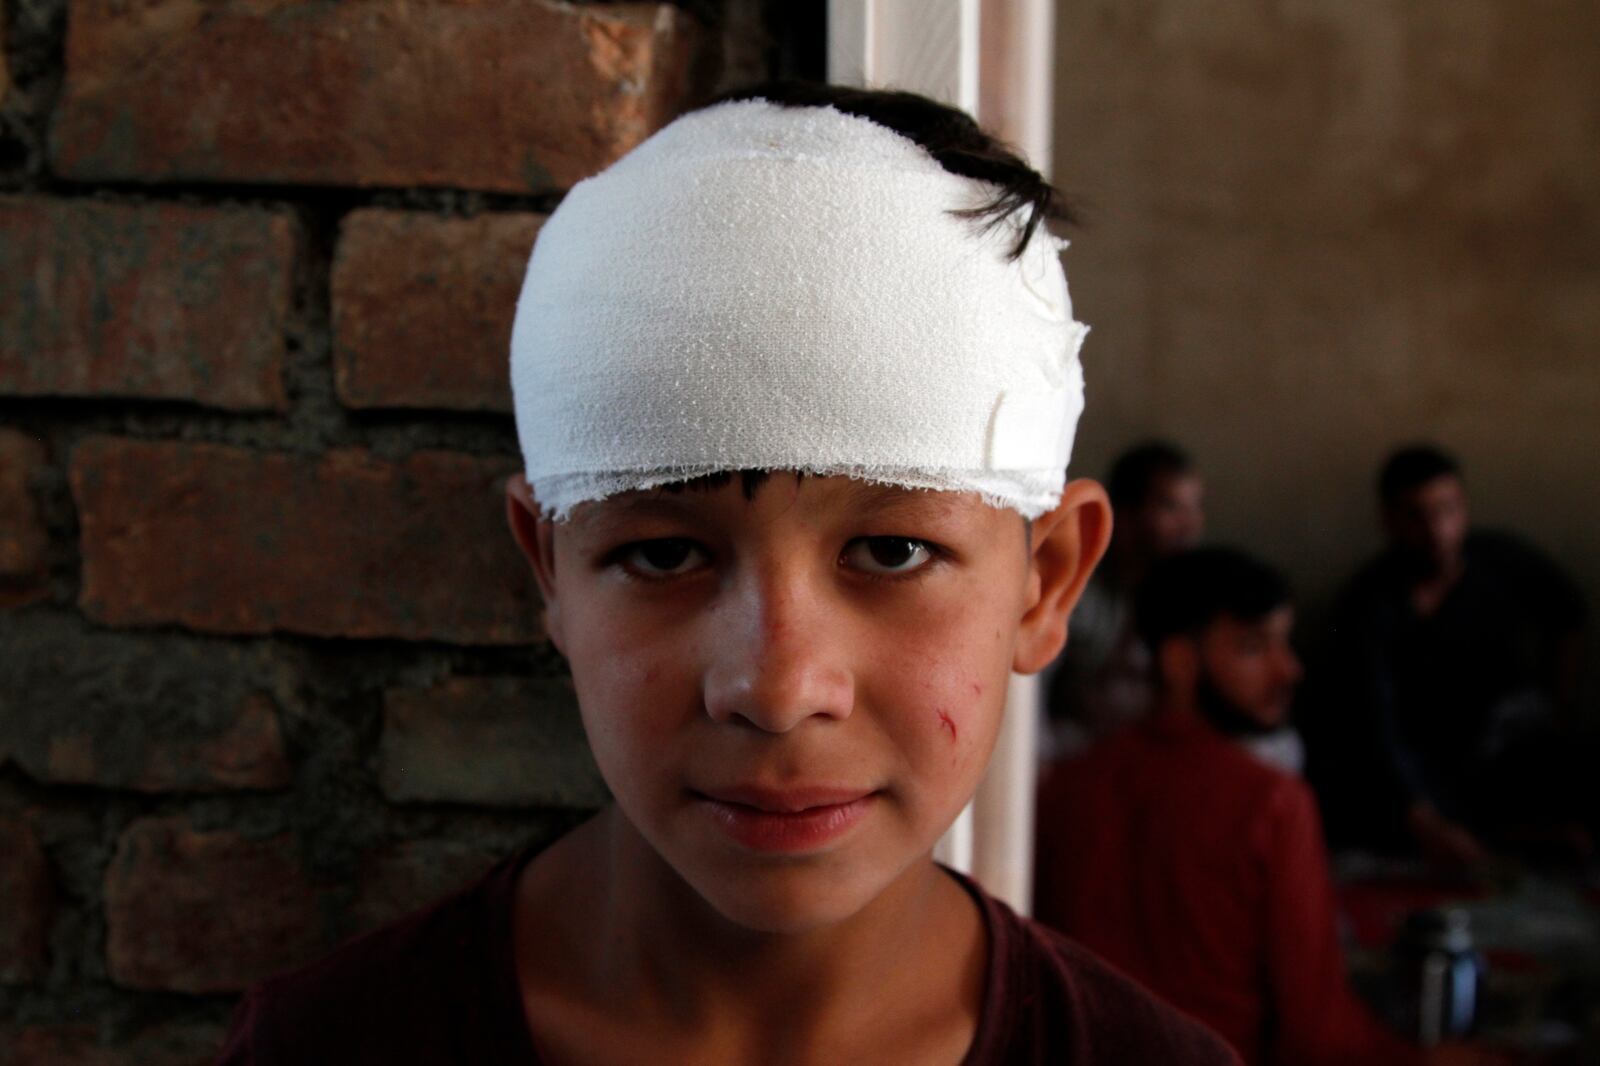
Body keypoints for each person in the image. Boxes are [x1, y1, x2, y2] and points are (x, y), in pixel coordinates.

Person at [215, 84, 1239, 1064]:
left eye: (892, 551)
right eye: (663, 553)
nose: (778, 688)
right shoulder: (326, 1047)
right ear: (549, 570)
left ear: (1045, 581)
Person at [1034, 547, 1488, 1066]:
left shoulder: (1066, 787)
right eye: (1254, 647)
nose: (1289, 669)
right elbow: (1317, 1034)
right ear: (1180, 661)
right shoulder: (1271, 804)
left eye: (1284, 643)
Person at [1314, 445, 1589, 865]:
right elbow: (1375, 721)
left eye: (1448, 510)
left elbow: (1568, 611)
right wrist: (1422, 817)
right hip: (1423, 757)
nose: (1436, 528)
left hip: (1508, 743)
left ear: (1465, 508)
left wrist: (1562, 698)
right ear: (1388, 520)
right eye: (1416, 515)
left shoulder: (1501, 560)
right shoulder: (1370, 602)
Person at [1042, 440, 1203, 756]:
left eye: (1195, 507)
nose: (1190, 525)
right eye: (1171, 507)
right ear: (1127, 514)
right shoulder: (1078, 594)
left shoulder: (1197, 595)